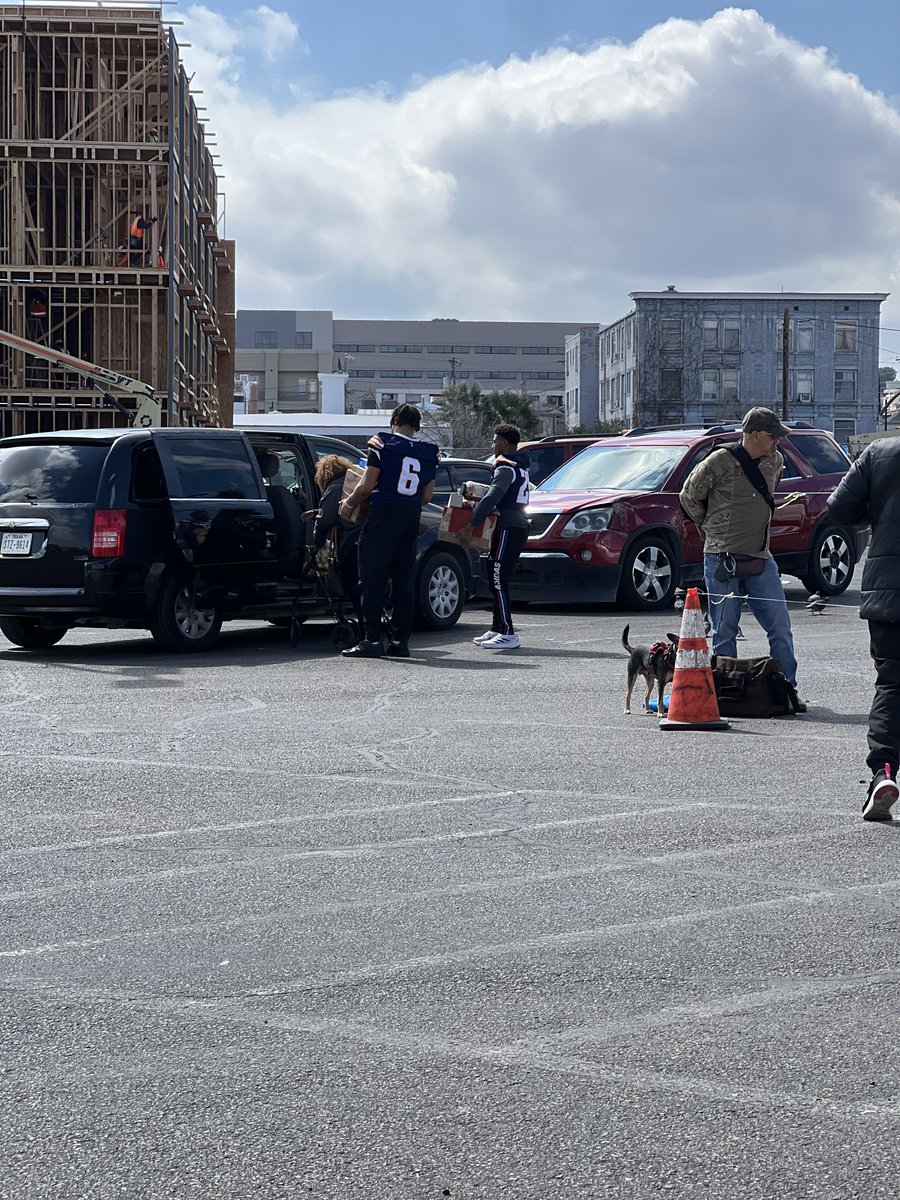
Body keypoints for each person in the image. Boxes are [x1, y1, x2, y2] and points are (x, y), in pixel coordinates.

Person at [679, 406, 802, 697]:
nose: (777, 441)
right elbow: (689, 497)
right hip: (723, 557)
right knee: (725, 630)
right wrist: (712, 530)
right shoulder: (719, 461)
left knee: (780, 627)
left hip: (760, 555)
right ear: (756, 435)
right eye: (773, 436)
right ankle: (728, 690)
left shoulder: (776, 461)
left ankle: (786, 688)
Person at [826, 439, 900, 821]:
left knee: (892, 683)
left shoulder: (878, 452)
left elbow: (838, 508)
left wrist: (874, 512)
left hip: (889, 586)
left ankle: (883, 773)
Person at [339, 403, 439, 658]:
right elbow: (426, 496)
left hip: (384, 513)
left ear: (393, 420)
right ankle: (400, 641)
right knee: (403, 581)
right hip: (411, 515)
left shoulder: (382, 443)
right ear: (416, 426)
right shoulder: (428, 452)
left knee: (372, 578)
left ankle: (372, 640)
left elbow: (367, 484)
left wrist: (348, 503)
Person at [459, 423, 531, 650]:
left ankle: (509, 633)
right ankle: (497, 627)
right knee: (494, 575)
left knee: (499, 579)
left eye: (495, 441)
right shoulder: (520, 466)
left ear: (504, 443)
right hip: (513, 525)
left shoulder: (506, 466)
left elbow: (491, 498)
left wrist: (471, 525)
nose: (492, 445)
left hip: (509, 528)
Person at [311, 454, 363, 629]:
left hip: (349, 543)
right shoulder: (354, 485)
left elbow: (325, 519)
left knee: (353, 585)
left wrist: (316, 542)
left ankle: (364, 628)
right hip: (364, 540)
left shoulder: (334, 489)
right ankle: (372, 625)